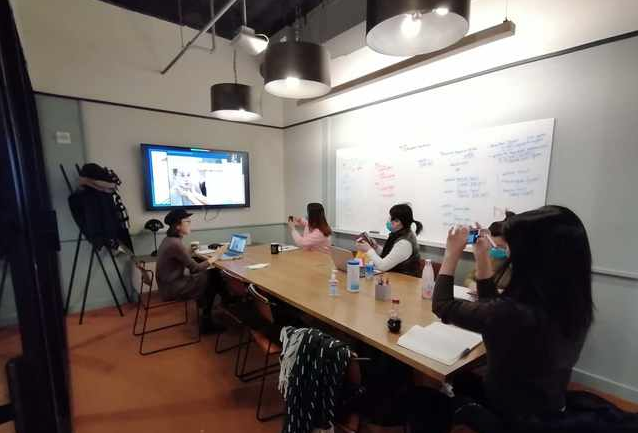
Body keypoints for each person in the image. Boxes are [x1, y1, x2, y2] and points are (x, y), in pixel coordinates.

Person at [424, 205, 594, 430]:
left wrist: (451, 253)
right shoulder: (571, 302)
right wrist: (482, 256)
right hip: (549, 406)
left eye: (510, 246)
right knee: (462, 378)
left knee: (424, 401)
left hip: (510, 416)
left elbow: (442, 305)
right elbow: (494, 310)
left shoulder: (514, 313)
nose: (507, 252)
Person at [156, 209, 227, 333]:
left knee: (209, 276)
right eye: (187, 222)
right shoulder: (175, 244)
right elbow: (195, 269)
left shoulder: (169, 240)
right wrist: (216, 256)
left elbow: (181, 260)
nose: (190, 224)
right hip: (173, 289)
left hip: (167, 285)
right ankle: (209, 320)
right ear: (178, 226)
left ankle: (216, 306)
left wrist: (189, 252)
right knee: (213, 275)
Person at [355, 203, 423, 276]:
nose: (389, 221)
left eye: (392, 219)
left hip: (406, 279)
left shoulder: (404, 242)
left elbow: (382, 266)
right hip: (395, 276)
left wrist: (368, 250)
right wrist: (376, 247)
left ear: (399, 222)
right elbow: (390, 255)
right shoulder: (398, 234)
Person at [463, 211, 515, 290]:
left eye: (500, 246)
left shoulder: (521, 265)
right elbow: (469, 278)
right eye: (492, 245)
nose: (494, 249)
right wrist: (473, 286)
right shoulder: (492, 258)